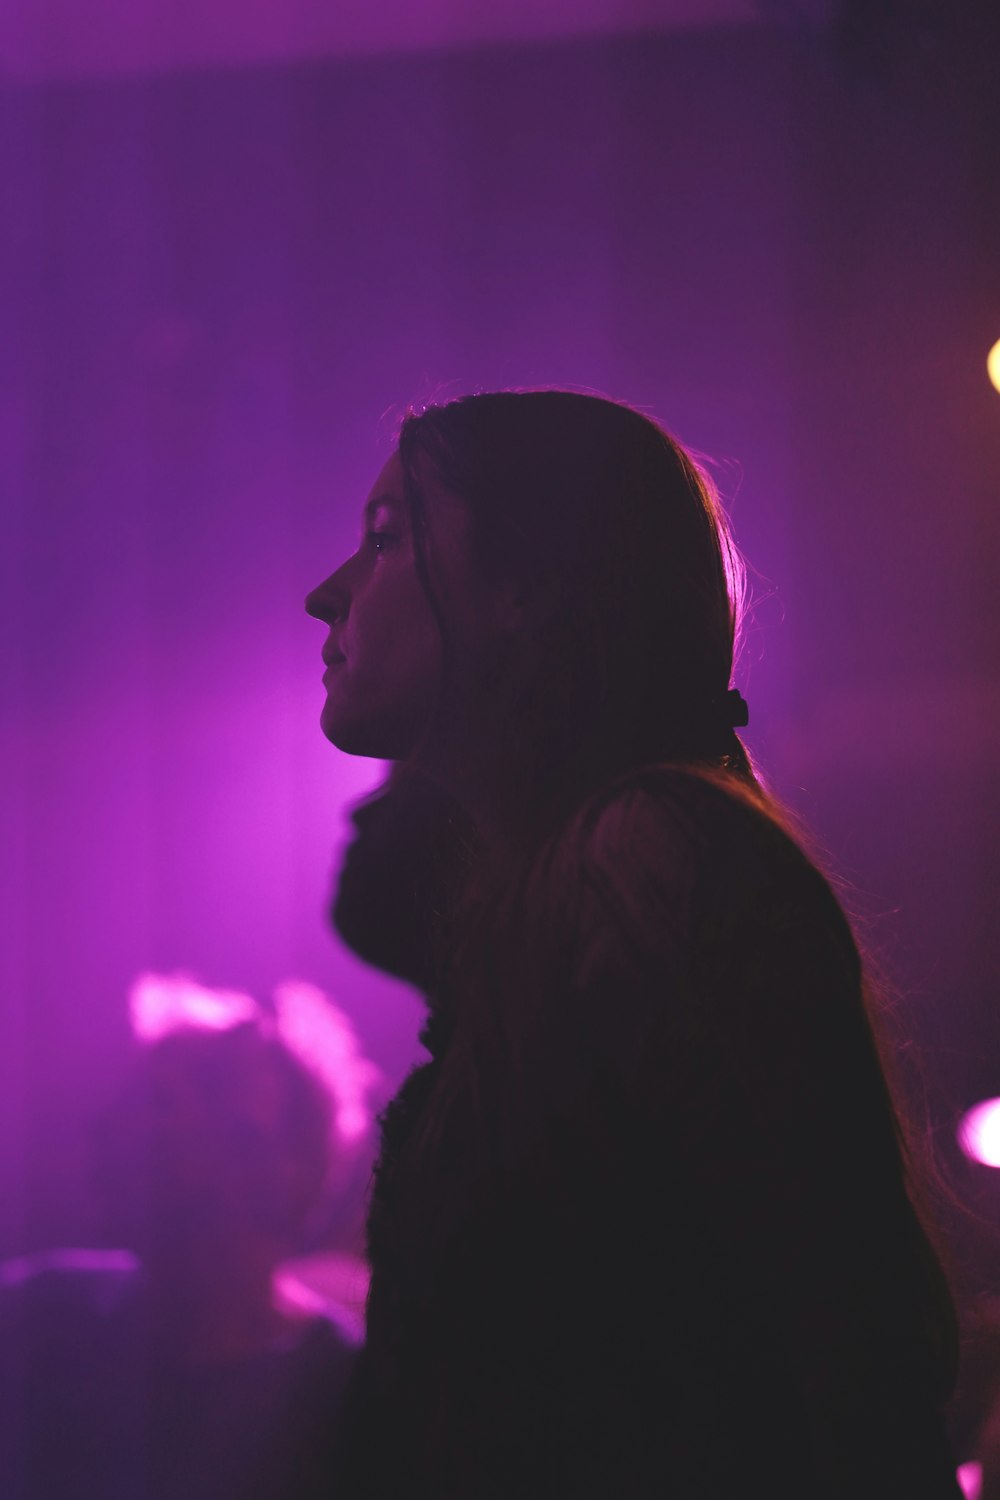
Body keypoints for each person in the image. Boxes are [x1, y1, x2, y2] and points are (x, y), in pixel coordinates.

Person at [305, 389, 963, 1498]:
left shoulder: (643, 855)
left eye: (387, 539)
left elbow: (817, 1348)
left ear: (525, 589)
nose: (326, 593)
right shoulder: (591, 870)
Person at [0, 1017, 357, 1500]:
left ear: (264, 1161)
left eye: (155, 1104)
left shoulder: (349, 1396)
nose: (103, 1127)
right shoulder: (37, 1312)